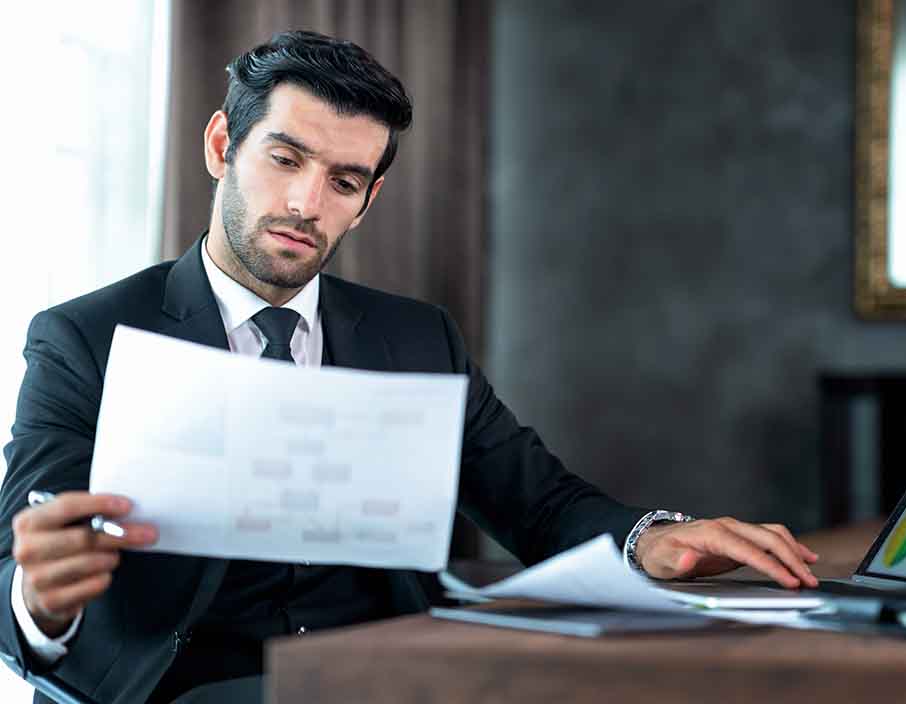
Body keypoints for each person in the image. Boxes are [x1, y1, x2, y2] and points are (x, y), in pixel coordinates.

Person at [0, 31, 818, 704]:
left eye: (343, 180)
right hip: (180, 688)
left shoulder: (417, 338)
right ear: (222, 144)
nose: (305, 204)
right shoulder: (86, 336)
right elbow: (17, 567)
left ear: (369, 198)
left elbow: (541, 505)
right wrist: (40, 599)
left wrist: (654, 538)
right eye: (285, 160)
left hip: (388, 681)